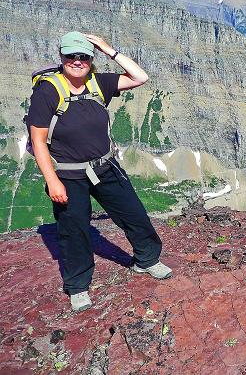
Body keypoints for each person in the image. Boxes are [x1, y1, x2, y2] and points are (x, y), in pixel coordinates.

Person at [28, 31, 172, 312]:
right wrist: (52, 181)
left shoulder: (98, 82)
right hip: (69, 174)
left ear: (91, 59)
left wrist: (108, 49)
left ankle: (147, 260)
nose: (77, 61)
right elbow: (38, 140)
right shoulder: (48, 90)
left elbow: (140, 77)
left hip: (105, 165)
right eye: (71, 56)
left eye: (83, 56)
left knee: (133, 214)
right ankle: (78, 286)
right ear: (61, 56)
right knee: (75, 229)